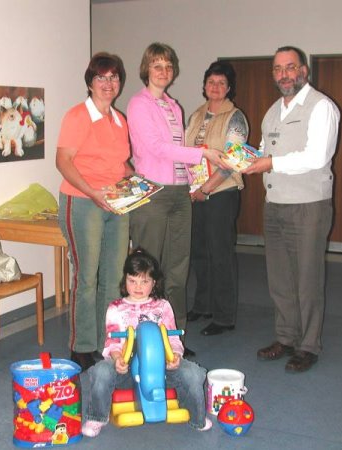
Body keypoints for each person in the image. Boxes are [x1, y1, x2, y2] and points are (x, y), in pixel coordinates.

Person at [126, 43, 231, 354]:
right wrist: (202, 153)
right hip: (154, 192)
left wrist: (202, 175)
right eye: (158, 66)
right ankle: (144, 338)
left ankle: (174, 340)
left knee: (178, 268)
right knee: (148, 267)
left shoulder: (175, 107)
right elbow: (157, 148)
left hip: (180, 193)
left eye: (168, 66)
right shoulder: (138, 104)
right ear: (147, 69)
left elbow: (180, 154)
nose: (164, 71)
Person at [242, 46, 340, 373]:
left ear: (304, 71)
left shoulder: (321, 107)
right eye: (278, 69)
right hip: (276, 205)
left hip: (308, 206)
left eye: (290, 67)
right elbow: (264, 150)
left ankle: (308, 345)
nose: (284, 74)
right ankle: (285, 337)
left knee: (307, 279)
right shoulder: (273, 111)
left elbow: (316, 157)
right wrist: (244, 158)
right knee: (280, 280)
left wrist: (269, 162)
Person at [81, 248, 212, 437]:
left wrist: (174, 356)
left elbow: (173, 339)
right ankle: (96, 417)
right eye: (132, 280)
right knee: (101, 371)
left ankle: (197, 417)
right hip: (126, 369)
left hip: (162, 369)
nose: (138, 286)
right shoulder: (116, 308)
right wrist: (118, 359)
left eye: (144, 281)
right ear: (125, 280)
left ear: (154, 283)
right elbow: (112, 343)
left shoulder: (163, 306)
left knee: (193, 373)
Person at [56, 52, 133, 371]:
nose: (108, 83)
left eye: (114, 77)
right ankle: (82, 346)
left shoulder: (120, 120)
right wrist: (92, 192)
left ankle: (107, 341)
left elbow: (120, 164)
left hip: (117, 203)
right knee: (87, 277)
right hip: (83, 200)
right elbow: (63, 162)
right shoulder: (77, 116)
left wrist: (138, 182)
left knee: (114, 277)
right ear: (90, 82)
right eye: (101, 77)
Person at [185, 61, 249, 336]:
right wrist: (191, 189)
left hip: (221, 193)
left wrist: (207, 189)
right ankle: (203, 305)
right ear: (204, 85)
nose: (216, 87)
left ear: (229, 87)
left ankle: (224, 316)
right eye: (211, 82)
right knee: (199, 251)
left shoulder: (235, 117)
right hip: (195, 193)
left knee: (220, 253)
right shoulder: (197, 115)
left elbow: (234, 161)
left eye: (222, 83)